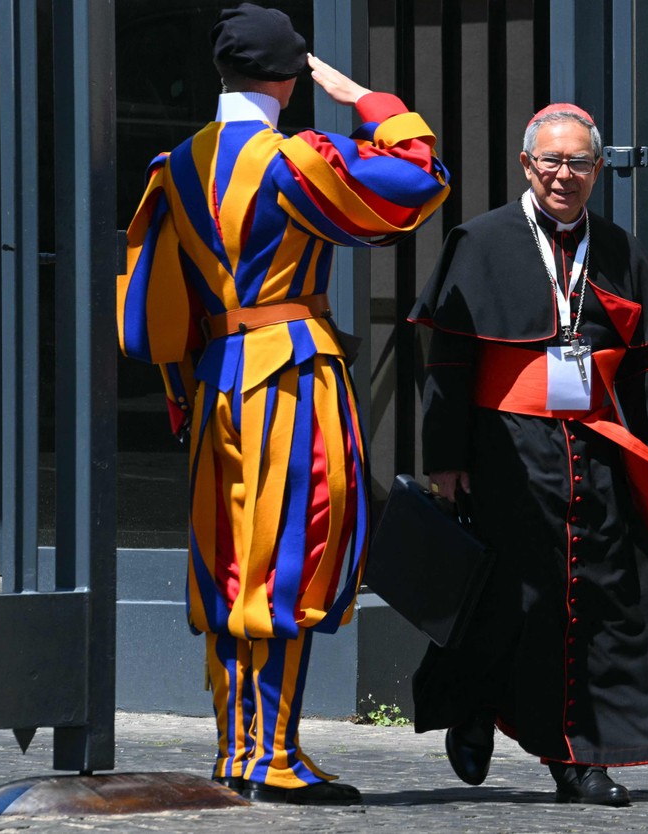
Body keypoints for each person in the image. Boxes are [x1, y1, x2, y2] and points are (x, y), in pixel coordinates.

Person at [116, 3, 449, 805]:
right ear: (292, 81)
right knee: (286, 562)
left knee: (230, 565)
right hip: (290, 382)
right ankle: (270, 757)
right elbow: (419, 180)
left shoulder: (178, 162)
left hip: (216, 382)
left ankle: (240, 751)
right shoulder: (295, 158)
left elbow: (151, 313)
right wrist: (369, 101)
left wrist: (182, 395)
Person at [408, 103, 648, 806]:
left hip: (594, 451)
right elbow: (449, 360)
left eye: (578, 162)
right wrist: (446, 460)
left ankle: (578, 757)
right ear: (526, 165)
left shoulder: (620, 248)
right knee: (511, 600)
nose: (563, 175)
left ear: (599, 170)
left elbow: (642, 370)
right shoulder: (479, 242)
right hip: (505, 448)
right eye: (551, 160)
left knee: (595, 602)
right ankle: (477, 704)